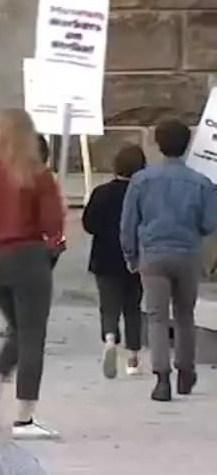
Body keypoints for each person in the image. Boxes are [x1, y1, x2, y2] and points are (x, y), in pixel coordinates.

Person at [0, 109, 65, 440]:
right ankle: (25, 417)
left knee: (18, 330)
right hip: (27, 258)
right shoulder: (37, 173)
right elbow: (52, 227)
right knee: (32, 336)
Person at [120, 118, 217, 402]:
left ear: (158, 145)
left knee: (157, 317)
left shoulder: (141, 181)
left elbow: (128, 223)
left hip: (152, 253)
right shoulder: (202, 183)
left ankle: (161, 377)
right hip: (186, 253)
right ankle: (185, 369)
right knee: (185, 315)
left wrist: (131, 254)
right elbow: (211, 222)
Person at [81, 144, 147, 379]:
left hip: (104, 258)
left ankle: (110, 339)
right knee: (133, 307)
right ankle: (133, 357)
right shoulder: (142, 193)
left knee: (108, 304)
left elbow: (88, 224)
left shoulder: (101, 192)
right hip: (135, 258)